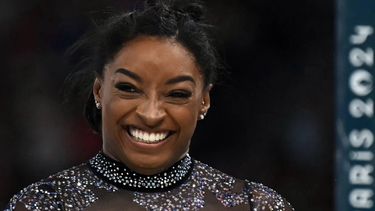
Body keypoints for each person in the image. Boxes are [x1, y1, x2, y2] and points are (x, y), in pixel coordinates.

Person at [6, 0, 294, 210]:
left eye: (177, 94)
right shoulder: (42, 205)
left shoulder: (254, 205)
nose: (151, 114)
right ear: (99, 90)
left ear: (204, 101)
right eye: (129, 89)